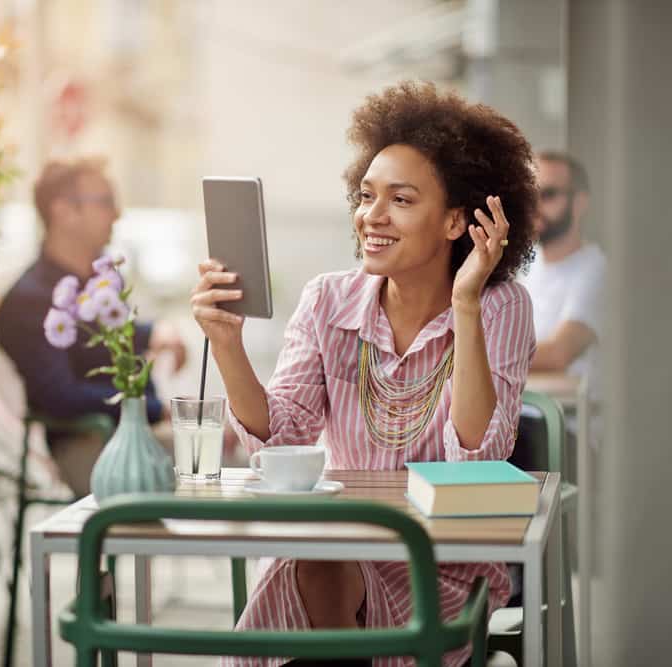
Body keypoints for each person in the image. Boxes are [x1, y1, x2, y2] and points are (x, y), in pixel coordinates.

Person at [191, 82, 538, 667]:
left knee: (316, 570)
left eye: (401, 200)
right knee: (320, 556)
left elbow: (477, 459)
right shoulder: (328, 299)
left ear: (457, 221)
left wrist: (466, 303)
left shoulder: (499, 306)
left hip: (441, 570)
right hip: (337, 553)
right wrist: (227, 346)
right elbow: (284, 437)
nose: (371, 216)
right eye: (366, 194)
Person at [0, 158, 186, 497]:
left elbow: (100, 333)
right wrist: (157, 408)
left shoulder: (97, 281)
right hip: (90, 443)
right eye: (106, 202)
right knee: (225, 460)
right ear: (63, 211)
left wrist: (155, 331)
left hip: (131, 436)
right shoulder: (30, 298)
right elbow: (59, 396)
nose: (117, 214)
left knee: (230, 452)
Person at [521, 151, 606, 378]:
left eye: (548, 194)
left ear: (579, 203)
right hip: (524, 408)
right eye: (530, 195)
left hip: (567, 413)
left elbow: (559, 353)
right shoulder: (526, 265)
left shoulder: (597, 270)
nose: (535, 207)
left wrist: (479, 357)